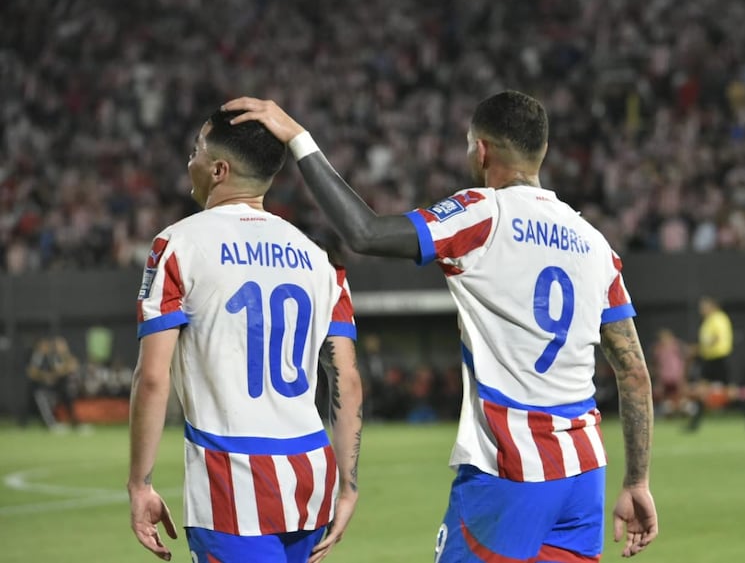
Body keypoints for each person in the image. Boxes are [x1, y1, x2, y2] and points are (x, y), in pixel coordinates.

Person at [223, 91, 658, 561]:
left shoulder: (484, 212)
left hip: (512, 469)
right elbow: (632, 372)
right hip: (584, 474)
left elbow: (365, 233)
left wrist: (298, 139)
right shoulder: (595, 245)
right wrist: (637, 481)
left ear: (483, 150)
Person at [127, 108, 363, 563]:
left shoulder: (176, 245)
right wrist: (348, 487)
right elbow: (346, 380)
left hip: (231, 477)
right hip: (311, 475)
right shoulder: (319, 258)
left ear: (219, 170)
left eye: (196, 150)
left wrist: (140, 483)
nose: (189, 161)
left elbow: (152, 378)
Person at [685, 296, 745, 431]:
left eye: (704, 306)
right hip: (710, 359)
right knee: (702, 390)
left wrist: (698, 348)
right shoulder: (710, 320)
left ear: (712, 305)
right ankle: (693, 425)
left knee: (730, 392)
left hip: (719, 359)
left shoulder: (718, 318)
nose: (701, 309)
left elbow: (716, 338)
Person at [23, 335, 81, 429]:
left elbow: (69, 367)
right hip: (41, 389)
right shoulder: (38, 356)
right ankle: (51, 425)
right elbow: (31, 372)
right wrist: (45, 376)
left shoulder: (54, 357)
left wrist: (65, 355)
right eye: (44, 345)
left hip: (56, 389)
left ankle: (75, 423)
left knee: (67, 396)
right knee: (41, 397)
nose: (47, 347)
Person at [651, 328, 689, 418]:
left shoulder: (677, 346)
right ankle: (669, 413)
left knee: (680, 396)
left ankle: (683, 412)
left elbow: (686, 358)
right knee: (666, 398)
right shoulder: (658, 349)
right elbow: (656, 365)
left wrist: (683, 376)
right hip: (665, 378)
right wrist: (658, 380)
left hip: (676, 376)